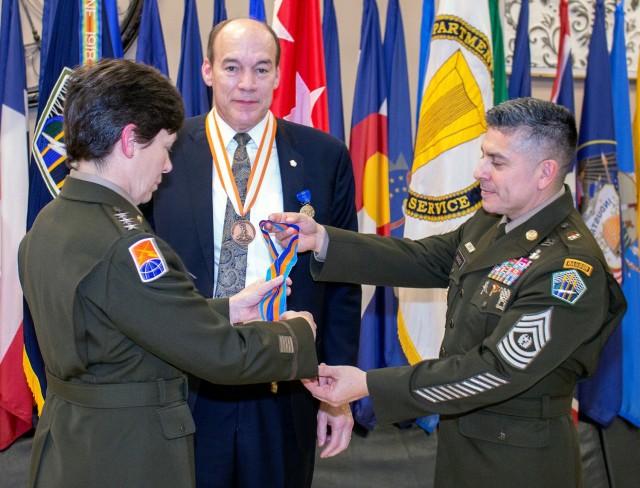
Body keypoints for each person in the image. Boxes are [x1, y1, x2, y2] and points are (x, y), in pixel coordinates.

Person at [269, 98, 627, 488]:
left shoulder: (569, 268)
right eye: (482, 156)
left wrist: (370, 385)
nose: (479, 173)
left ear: (546, 172)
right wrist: (322, 240)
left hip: (520, 465)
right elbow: (424, 258)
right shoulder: (493, 221)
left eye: (497, 162)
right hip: (462, 448)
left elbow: (493, 370)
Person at [18, 58, 321, 488]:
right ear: (128, 141)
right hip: (129, 455)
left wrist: (227, 309)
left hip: (71, 444)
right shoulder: (127, 245)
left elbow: (125, 320)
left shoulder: (50, 222)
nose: (168, 166)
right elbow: (221, 356)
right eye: (164, 147)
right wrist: (295, 334)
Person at [151, 18, 360, 488]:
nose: (247, 84)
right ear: (207, 70)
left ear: (279, 75)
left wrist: (335, 392)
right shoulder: (163, 154)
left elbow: (344, 284)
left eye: (261, 69)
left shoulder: (324, 156)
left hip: (285, 386)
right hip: (185, 386)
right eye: (232, 67)